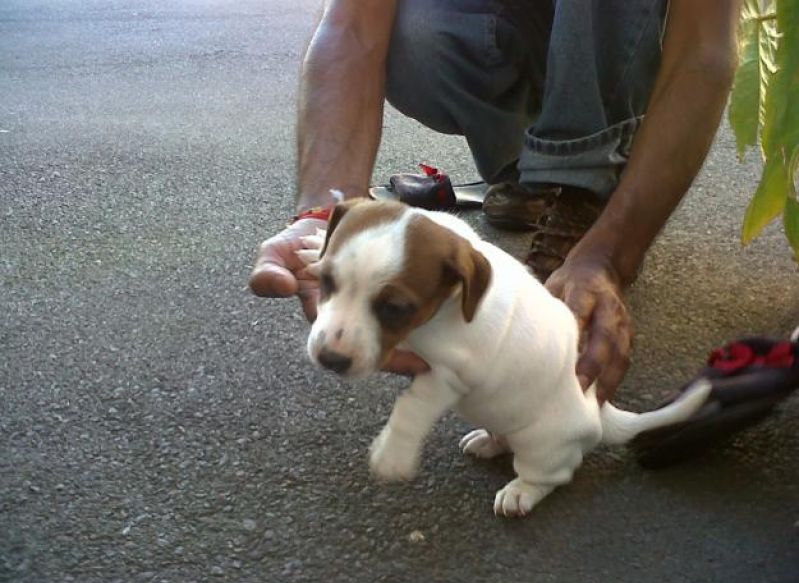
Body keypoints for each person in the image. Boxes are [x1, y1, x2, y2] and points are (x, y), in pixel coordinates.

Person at [250, 0, 741, 402]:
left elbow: (703, 49)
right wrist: (324, 213)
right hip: (525, 32)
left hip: (635, 53)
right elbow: (352, 23)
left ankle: (584, 186)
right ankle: (529, 170)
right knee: (418, 29)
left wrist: (611, 254)